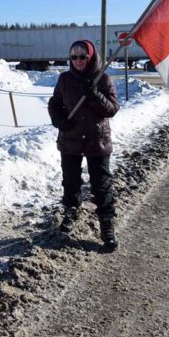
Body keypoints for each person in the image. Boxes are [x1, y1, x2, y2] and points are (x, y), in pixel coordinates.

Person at [47, 40, 119, 251]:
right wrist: (58, 119)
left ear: (91, 57)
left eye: (82, 56)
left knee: (101, 185)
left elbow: (112, 109)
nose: (78, 61)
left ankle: (107, 226)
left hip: (97, 141)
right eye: (73, 57)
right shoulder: (65, 79)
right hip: (70, 139)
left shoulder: (102, 78)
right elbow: (54, 103)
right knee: (70, 182)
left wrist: (95, 95)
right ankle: (71, 212)